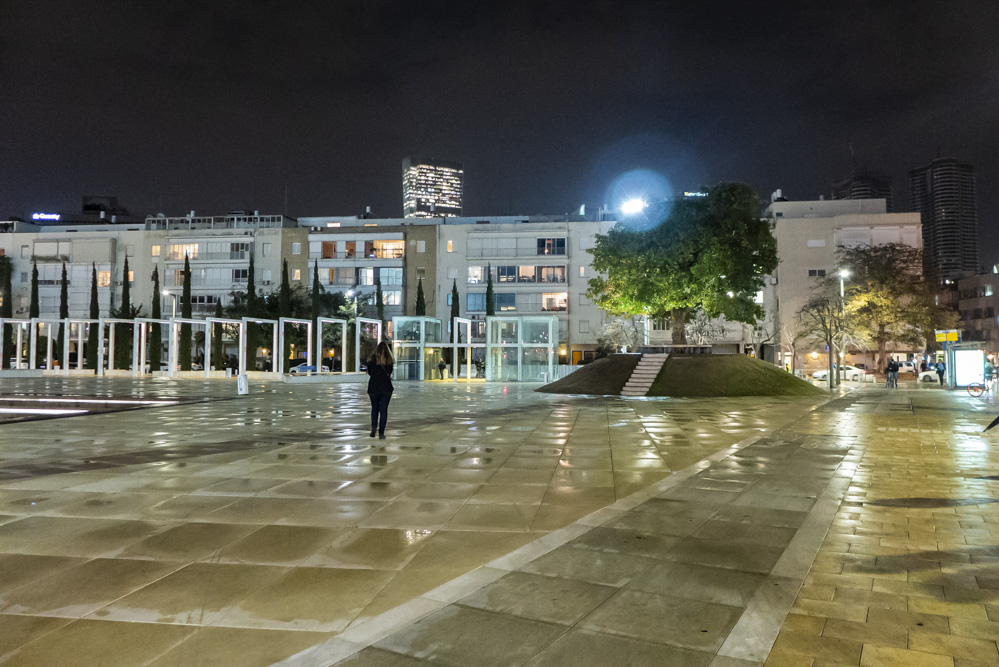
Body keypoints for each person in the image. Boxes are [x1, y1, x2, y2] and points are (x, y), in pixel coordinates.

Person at [366, 341, 394, 439]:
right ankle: (381, 433)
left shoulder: (372, 360)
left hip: (374, 387)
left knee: (374, 408)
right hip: (386, 387)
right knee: (383, 410)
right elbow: (389, 372)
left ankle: (373, 428)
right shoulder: (389, 360)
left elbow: (369, 372)